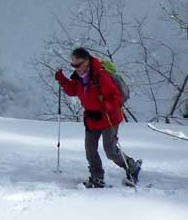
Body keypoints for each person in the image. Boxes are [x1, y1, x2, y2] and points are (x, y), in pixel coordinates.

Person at [54, 47, 142, 188]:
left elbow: (116, 97)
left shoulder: (101, 76)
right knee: (90, 149)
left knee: (110, 150)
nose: (75, 68)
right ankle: (97, 177)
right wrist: (62, 80)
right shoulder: (79, 78)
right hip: (91, 118)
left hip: (108, 118)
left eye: (78, 64)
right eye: (73, 65)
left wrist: (106, 107)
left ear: (87, 61)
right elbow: (73, 91)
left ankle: (131, 166)